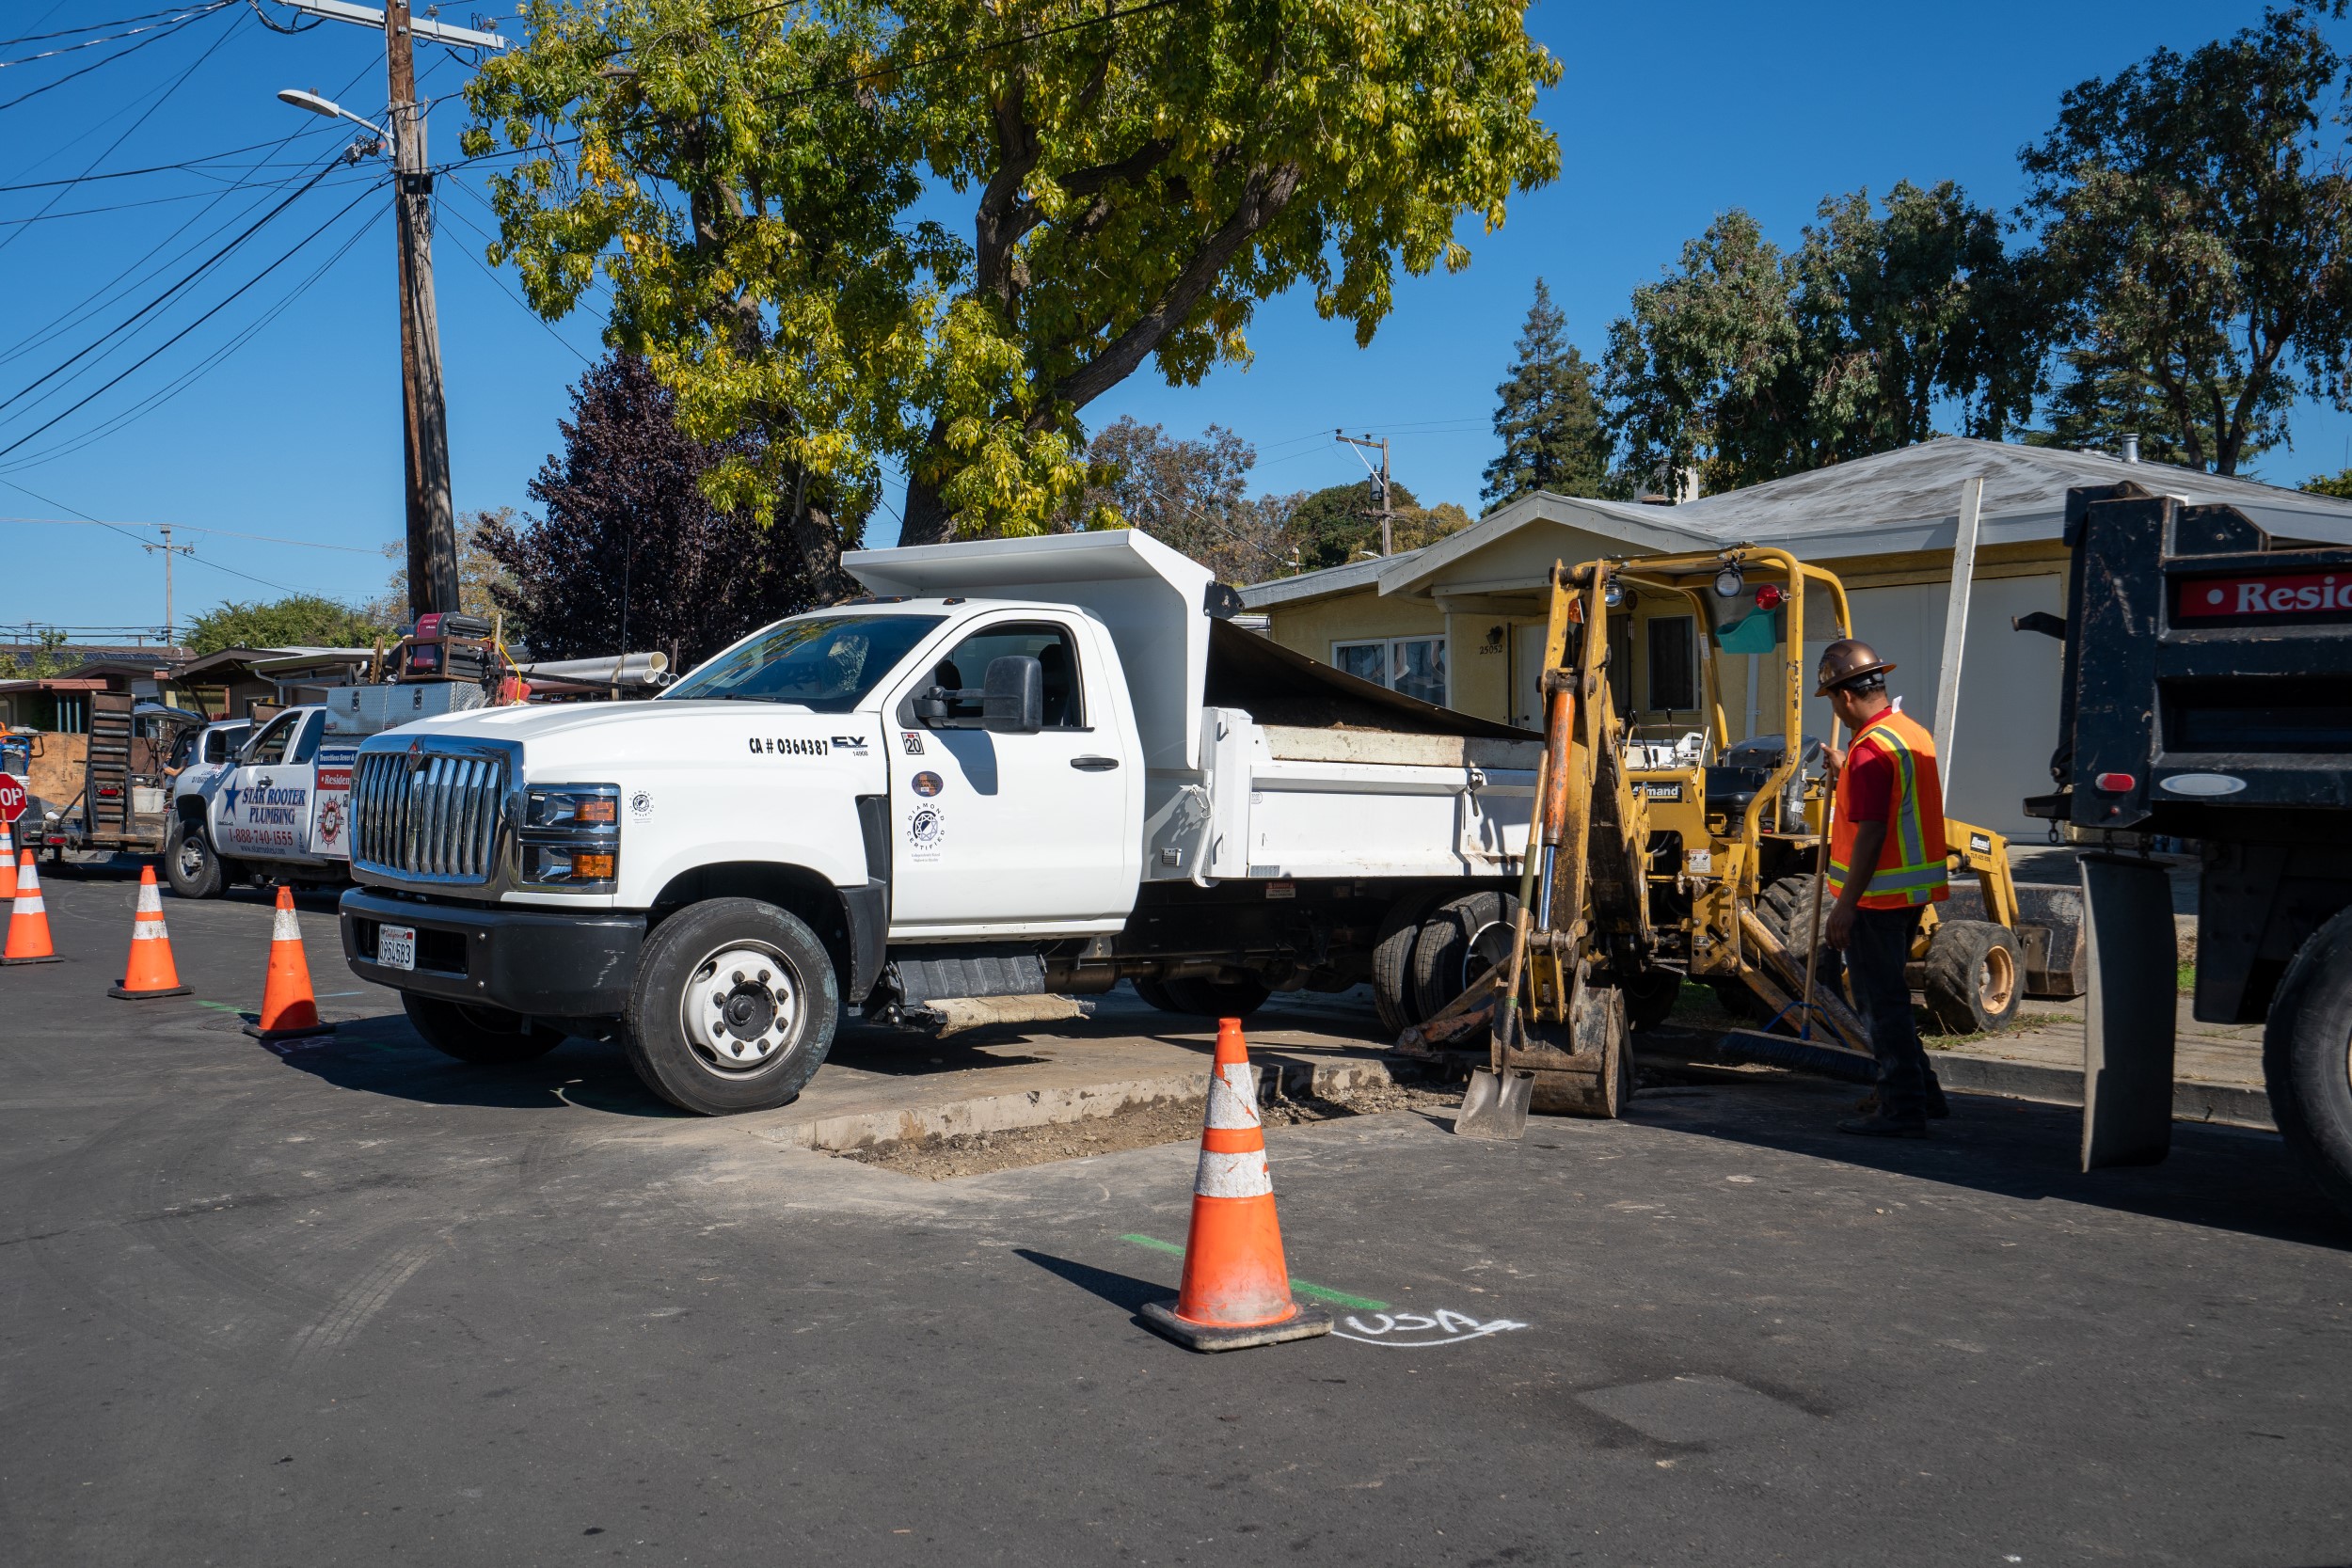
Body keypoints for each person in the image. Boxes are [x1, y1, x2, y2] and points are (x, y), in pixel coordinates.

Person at [1817, 639, 1949, 1137]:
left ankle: (1902, 1110)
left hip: (1875, 898)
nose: (1835, 708)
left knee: (1882, 1005)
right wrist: (1846, 766)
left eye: (1831, 698)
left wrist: (1844, 907)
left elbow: (1872, 830)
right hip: (1907, 893)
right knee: (1889, 997)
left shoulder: (1872, 748)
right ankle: (1923, 1096)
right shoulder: (1908, 733)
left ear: (1846, 697)